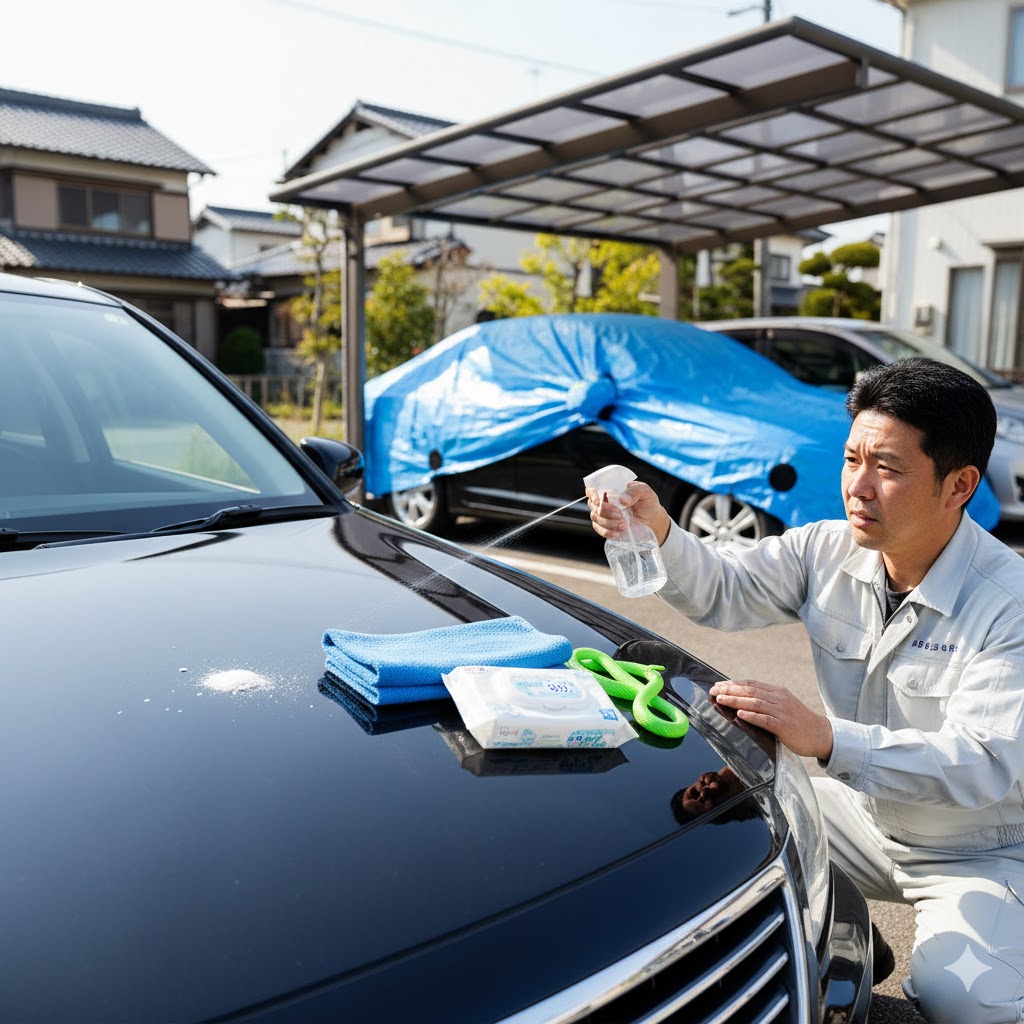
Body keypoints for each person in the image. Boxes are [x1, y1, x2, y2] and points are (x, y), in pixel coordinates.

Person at [588, 357, 1024, 1024]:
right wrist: (661, 534)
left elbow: (986, 762)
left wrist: (824, 738)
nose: (859, 486)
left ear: (959, 485)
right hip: (865, 813)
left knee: (967, 1003)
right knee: (712, 822)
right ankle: (843, 935)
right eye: (853, 459)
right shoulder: (826, 550)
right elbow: (724, 590)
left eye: (889, 467)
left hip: (975, 848)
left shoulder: (1009, 602)